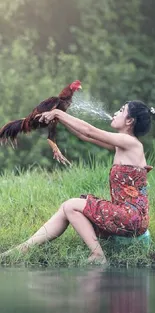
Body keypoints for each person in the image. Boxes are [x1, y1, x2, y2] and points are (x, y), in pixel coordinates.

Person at [2, 101, 155, 264]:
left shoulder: (130, 143)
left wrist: (59, 114)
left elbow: (90, 130)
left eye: (121, 110)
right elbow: (85, 135)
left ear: (130, 121)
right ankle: (21, 249)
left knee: (71, 205)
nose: (116, 113)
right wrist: (60, 119)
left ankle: (98, 256)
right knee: (65, 209)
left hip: (131, 217)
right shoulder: (122, 145)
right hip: (126, 215)